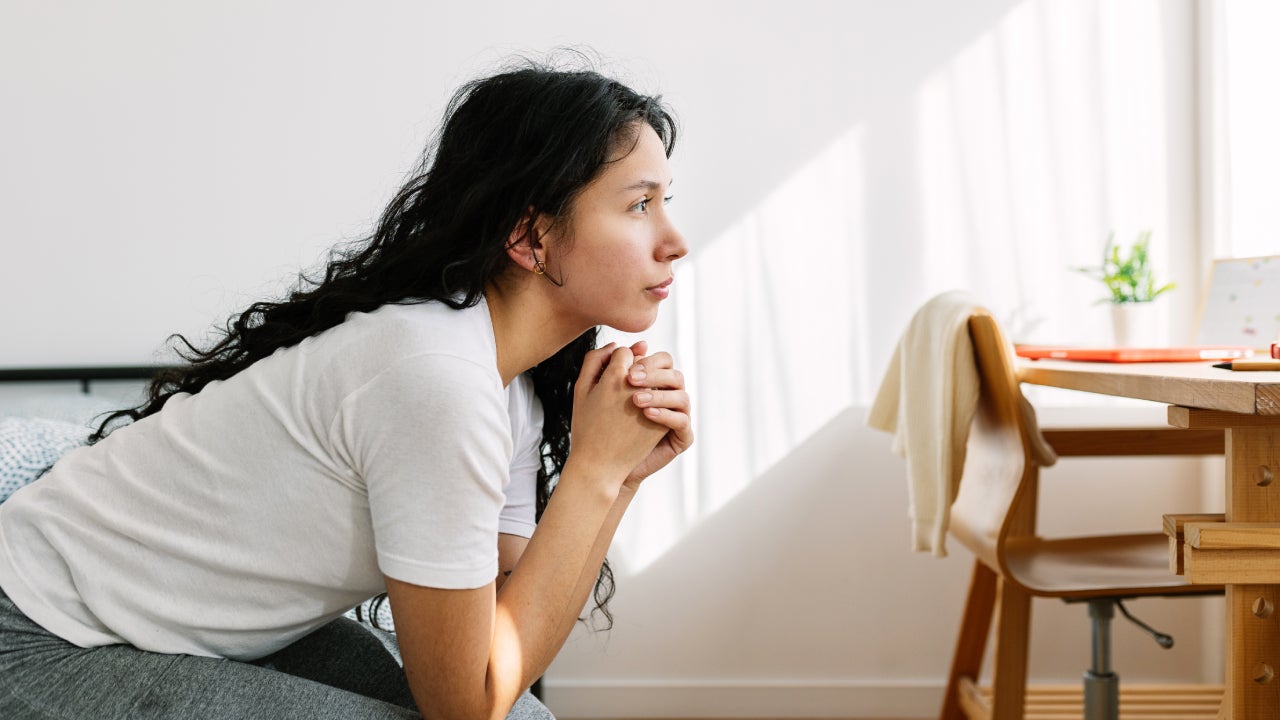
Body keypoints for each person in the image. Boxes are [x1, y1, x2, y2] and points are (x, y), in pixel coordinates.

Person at [0, 58, 692, 720]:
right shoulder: (438, 379)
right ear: (530, 235)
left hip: (165, 625)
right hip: (39, 638)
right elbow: (467, 703)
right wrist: (596, 473)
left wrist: (616, 474)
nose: (675, 240)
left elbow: (512, 607)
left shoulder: (506, 382)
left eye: (665, 202)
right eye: (639, 205)